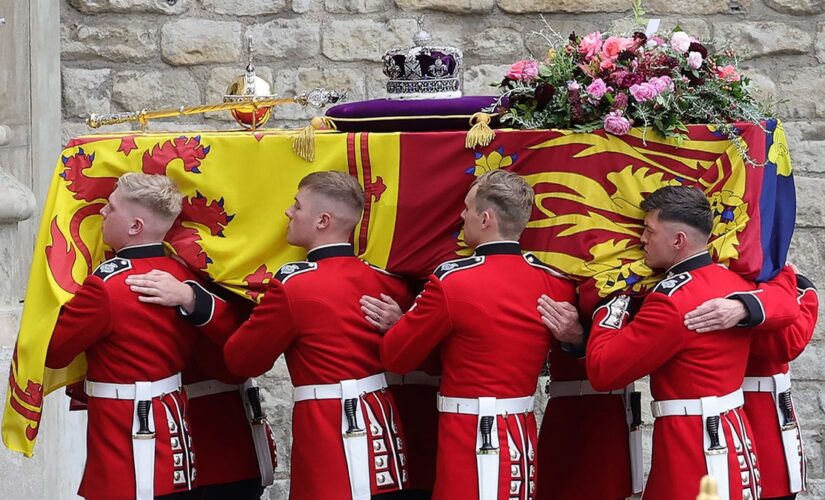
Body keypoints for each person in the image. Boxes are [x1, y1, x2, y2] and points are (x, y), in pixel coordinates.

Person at [139, 171, 413, 500]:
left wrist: (196, 301)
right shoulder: (388, 282)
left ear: (322, 220)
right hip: (383, 428)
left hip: (329, 431)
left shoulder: (295, 287)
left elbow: (242, 359)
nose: (288, 212)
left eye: (297, 206)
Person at [361, 170, 578, 500]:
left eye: (467, 208)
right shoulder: (554, 281)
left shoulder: (452, 282)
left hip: (468, 435)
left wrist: (399, 325)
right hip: (521, 433)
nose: (462, 216)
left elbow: (396, 357)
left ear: (486, 218)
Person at [583, 185, 799, 500]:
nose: (642, 239)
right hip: (735, 440)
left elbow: (604, 371)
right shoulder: (734, 283)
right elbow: (784, 305)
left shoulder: (672, 300)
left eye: (649, 230)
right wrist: (746, 305)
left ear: (678, 240)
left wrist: (610, 305)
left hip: (691, 451)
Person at [44, 173, 233, 500]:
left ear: (135, 227)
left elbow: (55, 352)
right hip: (174, 437)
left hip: (124, 439)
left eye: (112, 208)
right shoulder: (182, 275)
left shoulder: (106, 287)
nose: (103, 213)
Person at [124, 275, 278, 500]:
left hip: (224, 442)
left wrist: (194, 299)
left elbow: (241, 359)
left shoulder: (228, 269)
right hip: (157, 439)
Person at [684, 268, 818, 500]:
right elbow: (788, 342)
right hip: (721, 420)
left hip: (759, 416)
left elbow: (787, 343)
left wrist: (750, 305)